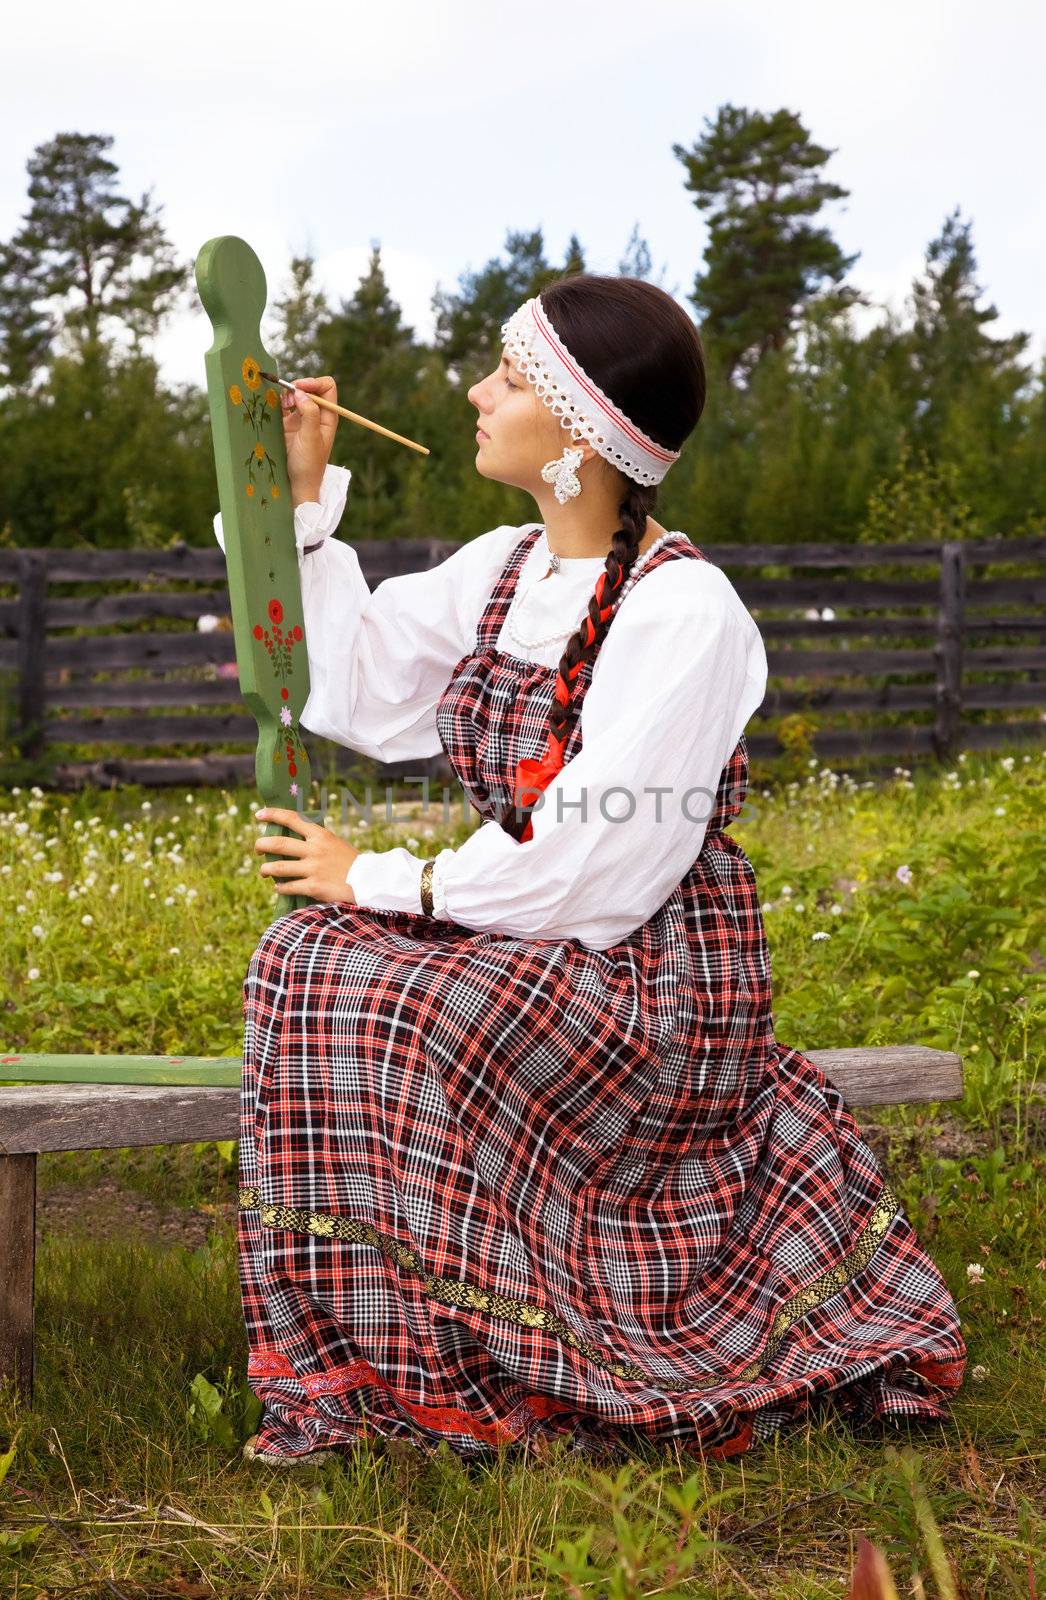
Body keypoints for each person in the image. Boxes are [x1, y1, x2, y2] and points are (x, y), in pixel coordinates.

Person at [214, 273, 965, 1467]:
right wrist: (303, 501)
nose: (475, 392)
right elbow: (337, 687)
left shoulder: (686, 613)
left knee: (387, 999)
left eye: (508, 378)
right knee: (301, 961)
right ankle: (371, 1361)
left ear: (579, 425)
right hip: (525, 930)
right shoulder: (503, 570)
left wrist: (387, 879)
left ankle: (495, 1359)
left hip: (648, 974)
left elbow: (600, 868)